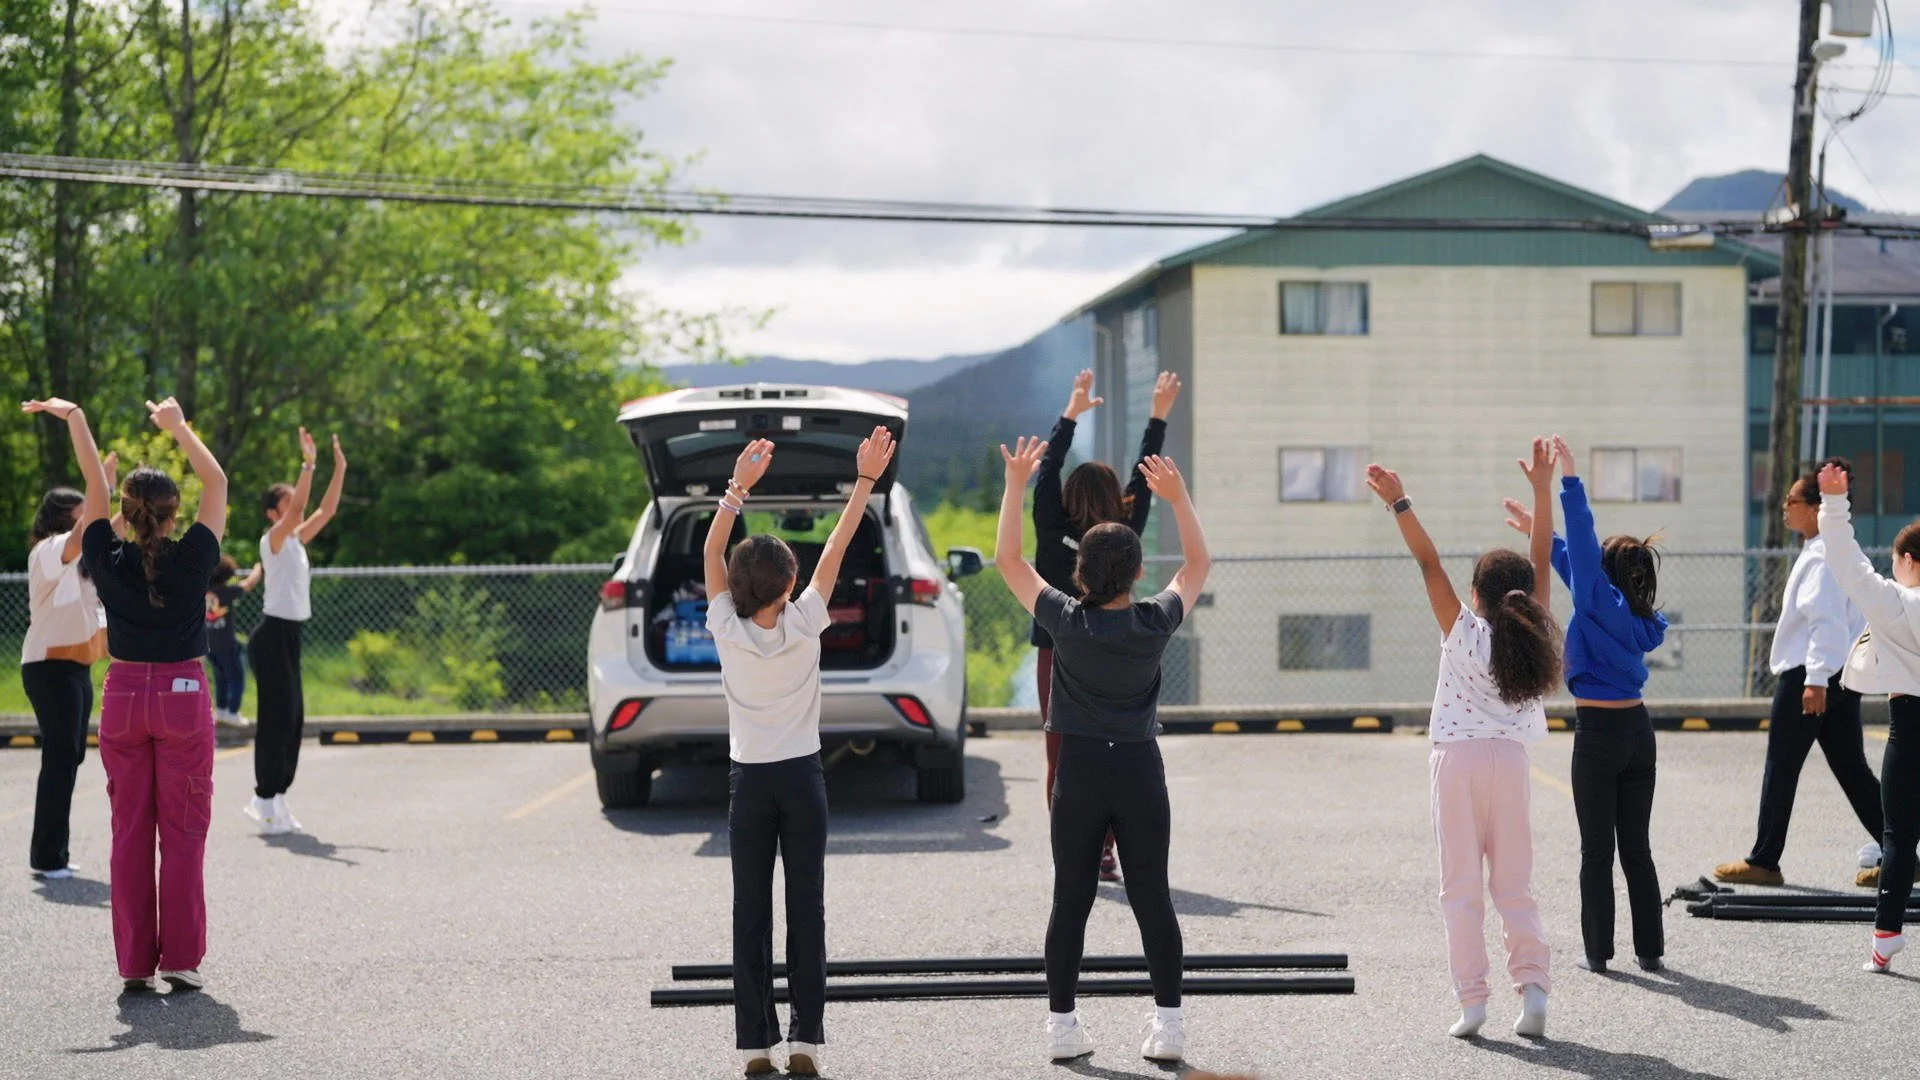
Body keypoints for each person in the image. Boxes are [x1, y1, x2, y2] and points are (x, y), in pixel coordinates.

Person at [996, 436, 1209, 1066]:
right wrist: (1177, 497)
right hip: (1140, 770)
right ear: (1138, 572)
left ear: (1079, 572)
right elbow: (1197, 562)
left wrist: (1015, 485)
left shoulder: (1065, 619)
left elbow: (1008, 557)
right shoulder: (1153, 621)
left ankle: (1063, 1027)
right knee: (1153, 896)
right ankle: (1168, 1025)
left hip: (1081, 770)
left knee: (1071, 899)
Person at [704, 427, 896, 1078]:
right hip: (802, 781)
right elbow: (838, 546)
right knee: (805, 910)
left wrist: (738, 486)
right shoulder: (807, 620)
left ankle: (754, 1046)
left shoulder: (725, 625)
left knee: (749, 913)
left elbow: (711, 549)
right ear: (789, 585)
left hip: (747, 786)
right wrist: (864, 478)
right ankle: (805, 1041)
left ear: (737, 588)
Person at [21, 394, 227, 995]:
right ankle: (181, 958)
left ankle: (136, 962)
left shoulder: (104, 554)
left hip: (125, 695)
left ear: (126, 514)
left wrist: (76, 417)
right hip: (183, 693)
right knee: (183, 832)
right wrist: (178, 427)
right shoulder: (194, 555)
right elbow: (215, 478)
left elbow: (93, 483)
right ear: (173, 512)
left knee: (130, 830)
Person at [1372, 446, 1555, 1039]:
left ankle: (1473, 1003)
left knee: (1461, 887)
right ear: (1526, 596)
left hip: (1456, 761)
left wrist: (1400, 501)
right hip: (1511, 762)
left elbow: (1428, 564)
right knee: (1514, 884)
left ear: (1475, 594)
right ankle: (1532, 991)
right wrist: (1543, 490)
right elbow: (1543, 557)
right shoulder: (1534, 636)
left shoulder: (1462, 631)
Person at [1504, 435, 1668, 974]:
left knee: (1596, 852)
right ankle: (1650, 950)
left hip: (1597, 737)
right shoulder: (1632, 614)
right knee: (1636, 850)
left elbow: (1581, 548)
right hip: (1638, 732)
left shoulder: (1599, 602)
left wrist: (1569, 481)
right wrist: (1540, 530)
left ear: (1608, 576)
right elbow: (1575, 562)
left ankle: (1599, 953)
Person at [1032, 367, 1181, 883]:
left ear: (1068, 493)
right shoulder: (1124, 529)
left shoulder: (1050, 520)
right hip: (1123, 647)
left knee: (1063, 755)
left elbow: (1046, 469)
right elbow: (1145, 473)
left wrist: (1069, 415)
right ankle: (1109, 851)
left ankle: (1076, 851)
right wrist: (1158, 414)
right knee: (1121, 748)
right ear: (1117, 499)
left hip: (1057, 651)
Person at [1715, 459, 1884, 889]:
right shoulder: (1830, 550)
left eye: (1792, 501)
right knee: (1852, 769)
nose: (1785, 508)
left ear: (1815, 507)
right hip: (1838, 674)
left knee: (1782, 765)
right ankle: (1903, 850)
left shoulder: (1823, 555)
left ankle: (1764, 860)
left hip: (1810, 676)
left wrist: (1814, 679)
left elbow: (1824, 621)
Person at [1810, 461, 1920, 972]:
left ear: (1908, 561)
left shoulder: (1896, 603)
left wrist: (1834, 502)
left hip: (1911, 726)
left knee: (1899, 836)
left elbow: (1847, 564)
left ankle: (1886, 940)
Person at [243, 427, 345, 835]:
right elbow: (304, 505)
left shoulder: (297, 541)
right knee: (275, 719)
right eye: (286, 504)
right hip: (270, 637)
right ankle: (263, 797)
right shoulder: (274, 540)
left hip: (290, 637)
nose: (295, 509)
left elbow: (327, 509)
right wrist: (308, 464)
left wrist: (339, 467)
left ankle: (277, 796)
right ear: (274, 513)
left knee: (293, 719)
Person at [21, 469, 112, 880]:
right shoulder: (49, 550)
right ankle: (46, 857)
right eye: (82, 510)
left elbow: (105, 526)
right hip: (48, 666)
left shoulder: (80, 562)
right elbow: (84, 531)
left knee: (71, 755)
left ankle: (55, 850)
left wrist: (106, 495)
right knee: (60, 757)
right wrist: (100, 489)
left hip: (77, 665)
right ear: (63, 516)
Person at [204, 556, 257, 727]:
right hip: (227, 643)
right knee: (236, 677)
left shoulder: (204, 592)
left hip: (209, 644)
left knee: (220, 677)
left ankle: (220, 710)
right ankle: (233, 712)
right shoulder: (227, 592)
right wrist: (258, 568)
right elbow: (248, 584)